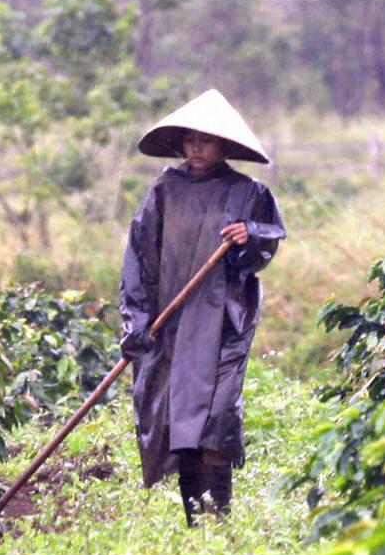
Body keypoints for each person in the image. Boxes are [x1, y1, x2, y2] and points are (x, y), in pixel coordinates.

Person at [119, 89, 286, 525]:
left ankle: (219, 519)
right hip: (169, 324)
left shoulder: (248, 192)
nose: (196, 147)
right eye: (190, 139)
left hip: (221, 326)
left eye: (206, 140)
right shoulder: (164, 190)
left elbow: (267, 244)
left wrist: (250, 236)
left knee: (215, 419)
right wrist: (137, 318)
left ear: (225, 146)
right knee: (178, 424)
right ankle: (195, 520)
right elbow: (138, 255)